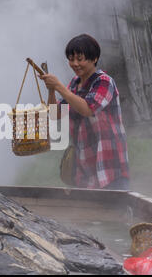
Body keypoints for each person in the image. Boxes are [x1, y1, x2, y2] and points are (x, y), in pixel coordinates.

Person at [39, 34, 130, 190]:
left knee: (115, 210)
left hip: (108, 160)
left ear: (94, 58)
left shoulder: (104, 81)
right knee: (91, 211)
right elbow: (55, 114)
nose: (75, 64)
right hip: (85, 163)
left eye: (80, 59)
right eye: (71, 59)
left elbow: (87, 109)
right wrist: (52, 91)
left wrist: (59, 87)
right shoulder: (75, 84)